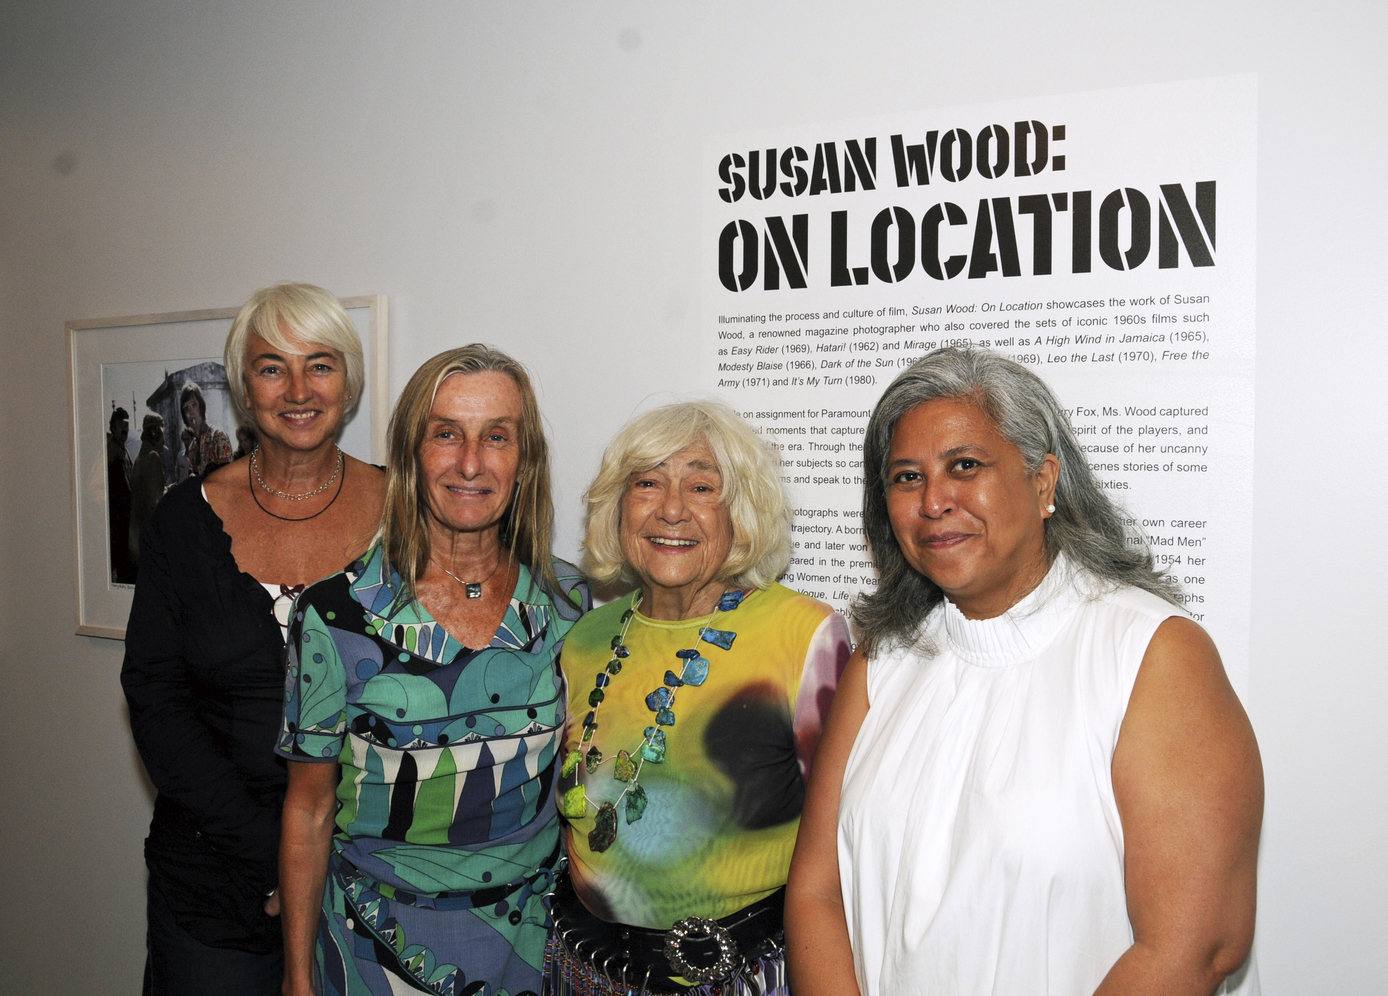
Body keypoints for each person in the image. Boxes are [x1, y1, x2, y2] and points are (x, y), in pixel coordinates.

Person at [785, 348, 1263, 996]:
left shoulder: (1151, 655)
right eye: (905, 477)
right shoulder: (882, 661)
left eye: (964, 466)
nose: (933, 502)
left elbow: (1195, 945)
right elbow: (818, 893)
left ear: (1043, 484)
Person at [277, 344, 590, 996]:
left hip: (529, 955)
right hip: (370, 953)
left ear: (524, 461)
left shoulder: (570, 607)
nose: (471, 462)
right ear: (412, 455)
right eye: (446, 434)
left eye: (496, 437)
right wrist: (298, 976)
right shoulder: (338, 614)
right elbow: (308, 809)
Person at [122, 282, 385, 995]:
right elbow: (156, 701)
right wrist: (278, 854)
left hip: (378, 881)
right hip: (216, 883)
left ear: (348, 380)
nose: (298, 388)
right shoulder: (183, 521)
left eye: (320, 364)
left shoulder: (409, 517)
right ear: (244, 387)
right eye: (273, 367)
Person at [548, 401, 851, 996]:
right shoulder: (585, 637)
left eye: (702, 486)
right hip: (581, 966)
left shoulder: (805, 634)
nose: (671, 509)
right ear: (618, 504)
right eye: (648, 483)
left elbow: (849, 844)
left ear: (741, 509)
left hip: (736, 973)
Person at [128, 412, 167, 563]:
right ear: (155, 433)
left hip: (136, 540)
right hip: (148, 542)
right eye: (162, 432)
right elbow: (155, 502)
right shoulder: (153, 457)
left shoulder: (139, 457)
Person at [181, 377, 234, 476]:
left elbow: (229, 478)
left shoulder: (218, 436)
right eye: (187, 408)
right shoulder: (192, 447)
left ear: (201, 406)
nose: (191, 411)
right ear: (184, 415)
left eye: (194, 405)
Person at [108, 405, 137, 582]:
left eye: (126, 425)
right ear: (113, 426)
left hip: (125, 514)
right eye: (121, 425)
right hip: (116, 515)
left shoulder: (122, 449)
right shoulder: (111, 451)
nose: (125, 429)